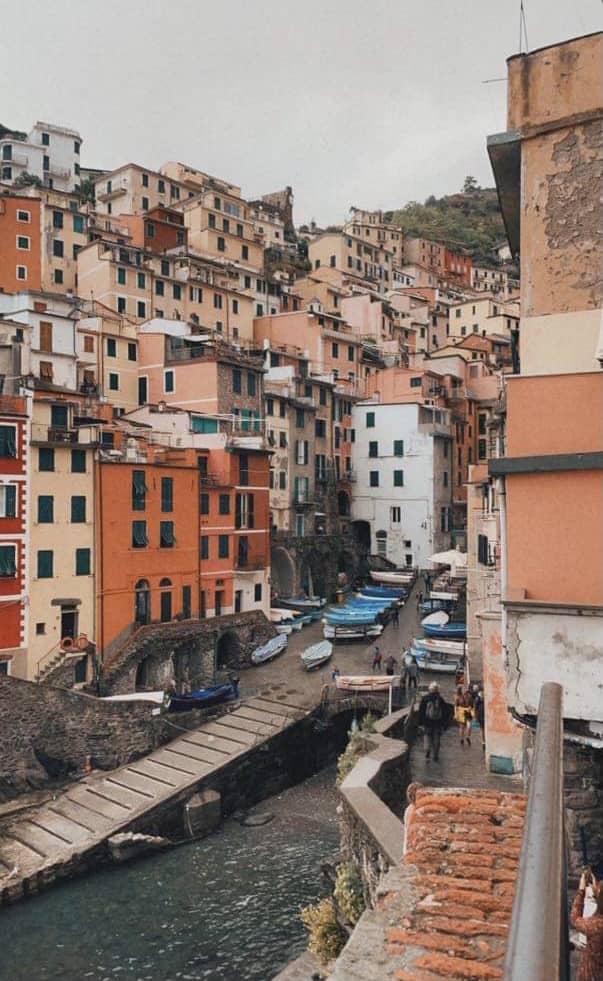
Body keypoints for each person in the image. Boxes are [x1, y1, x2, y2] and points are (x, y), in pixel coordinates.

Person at [570, 870, 603, 981]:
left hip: (591, 975)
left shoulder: (596, 926)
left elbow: (575, 919)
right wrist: (595, 887)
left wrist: (581, 890)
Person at [418, 681, 447, 761]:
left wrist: (420, 723)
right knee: (436, 738)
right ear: (437, 690)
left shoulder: (425, 698)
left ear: (430, 689)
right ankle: (436, 755)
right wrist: (444, 724)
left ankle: (427, 751)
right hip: (437, 722)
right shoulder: (440, 699)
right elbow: (445, 712)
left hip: (427, 722)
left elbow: (421, 711)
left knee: (427, 736)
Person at [473, 684, 485, 751]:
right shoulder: (480, 697)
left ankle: (483, 742)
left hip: (480, 714)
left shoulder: (478, 697)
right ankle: (484, 742)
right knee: (483, 729)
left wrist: (475, 716)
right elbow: (475, 707)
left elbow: (475, 707)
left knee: (482, 729)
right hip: (482, 715)